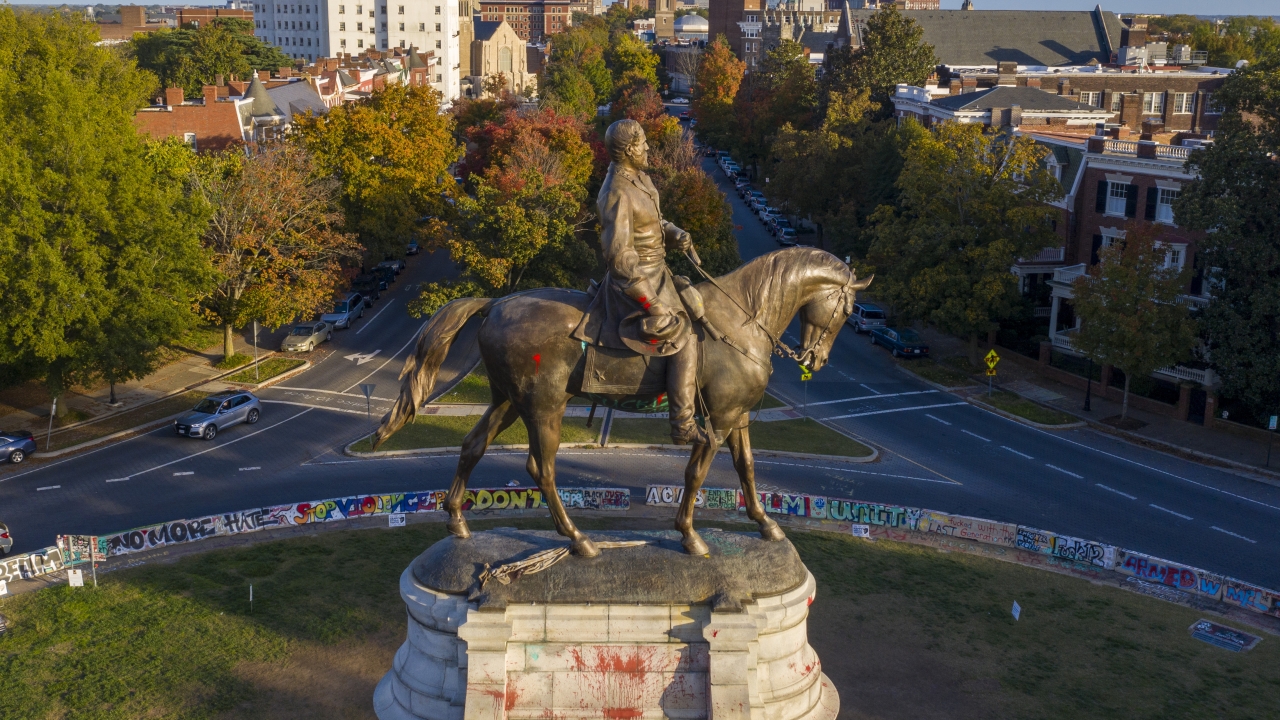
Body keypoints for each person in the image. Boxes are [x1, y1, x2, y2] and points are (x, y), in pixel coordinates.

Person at [573, 119, 709, 445]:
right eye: (643, 143)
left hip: (658, 272)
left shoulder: (638, 179)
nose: (648, 147)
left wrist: (676, 233)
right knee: (684, 334)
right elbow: (620, 258)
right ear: (629, 149)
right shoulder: (616, 193)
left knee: (698, 303)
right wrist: (654, 304)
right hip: (634, 285)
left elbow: (652, 220)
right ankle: (683, 423)